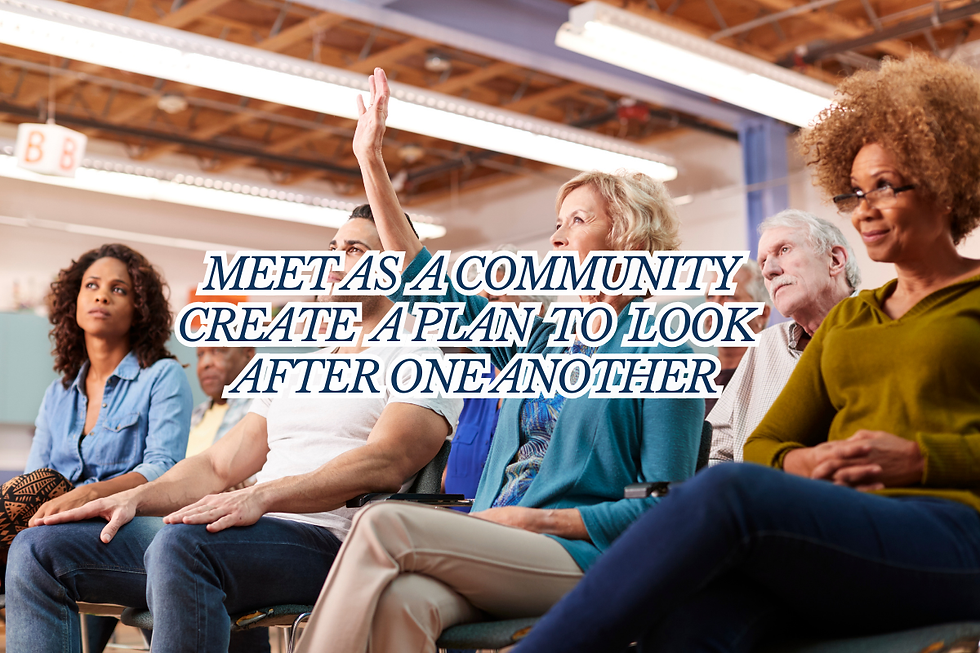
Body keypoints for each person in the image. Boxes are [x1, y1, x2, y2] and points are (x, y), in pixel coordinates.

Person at [506, 52, 980, 653]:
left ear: (945, 180)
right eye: (855, 192)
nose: (864, 208)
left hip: (957, 535)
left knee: (727, 494)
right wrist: (802, 466)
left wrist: (920, 460)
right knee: (694, 620)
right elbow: (762, 444)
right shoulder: (854, 320)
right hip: (842, 536)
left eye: (884, 186)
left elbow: (741, 478)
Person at [291, 67, 703, 653]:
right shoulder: (539, 342)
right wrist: (371, 163)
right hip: (497, 540)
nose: (557, 238)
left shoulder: (665, 349)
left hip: (583, 555)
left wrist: (541, 520)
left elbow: (670, 514)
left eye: (578, 222)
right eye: (556, 225)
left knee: (380, 520)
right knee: (404, 604)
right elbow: (418, 280)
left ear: (631, 239)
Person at [5, 208, 463, 653]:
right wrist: (133, 497)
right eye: (331, 248)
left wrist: (262, 496)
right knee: (37, 550)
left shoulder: (423, 353)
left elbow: (386, 462)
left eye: (354, 250)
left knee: (185, 546)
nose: (334, 262)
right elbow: (218, 463)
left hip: (333, 544)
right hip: (242, 533)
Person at [0, 243, 191, 568]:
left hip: (133, 523)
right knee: (27, 533)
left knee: (34, 545)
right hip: (59, 525)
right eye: (92, 285)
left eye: (118, 289)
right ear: (74, 301)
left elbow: (163, 469)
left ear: (138, 308)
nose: (101, 296)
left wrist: (91, 495)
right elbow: (34, 478)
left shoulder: (162, 376)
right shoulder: (57, 394)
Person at [708, 210, 858, 464]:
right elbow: (716, 450)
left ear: (834, 260)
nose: (769, 271)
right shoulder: (765, 346)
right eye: (763, 261)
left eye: (784, 250)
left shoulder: (883, 327)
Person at [702, 259, 770, 415]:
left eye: (730, 297)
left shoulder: (773, 377)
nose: (715, 306)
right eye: (710, 296)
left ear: (762, 314)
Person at [187, 346, 255, 459]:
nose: (205, 363)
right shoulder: (193, 416)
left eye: (217, 351)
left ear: (248, 354)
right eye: (200, 355)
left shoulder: (262, 410)